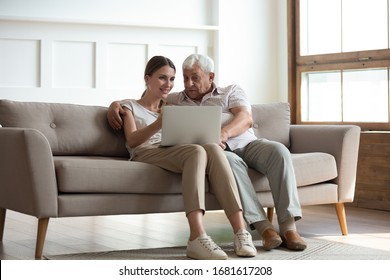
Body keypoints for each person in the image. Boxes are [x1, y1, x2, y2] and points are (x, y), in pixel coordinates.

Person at [108, 54, 307, 251]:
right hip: (216, 153)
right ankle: (263, 228)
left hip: (244, 144)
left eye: (194, 77)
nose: (188, 84)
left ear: (210, 77)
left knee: (279, 151)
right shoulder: (176, 100)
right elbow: (139, 105)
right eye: (185, 78)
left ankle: (289, 228)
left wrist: (223, 133)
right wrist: (114, 105)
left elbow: (245, 118)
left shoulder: (229, 91)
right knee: (223, 158)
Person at [114, 55, 256, 260]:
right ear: (147, 78)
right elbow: (133, 141)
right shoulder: (129, 106)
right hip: (145, 152)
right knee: (196, 151)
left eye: (172, 79)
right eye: (162, 78)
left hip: (172, 149)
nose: (168, 84)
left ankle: (240, 232)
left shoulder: (172, 103)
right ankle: (197, 237)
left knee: (213, 148)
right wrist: (158, 122)